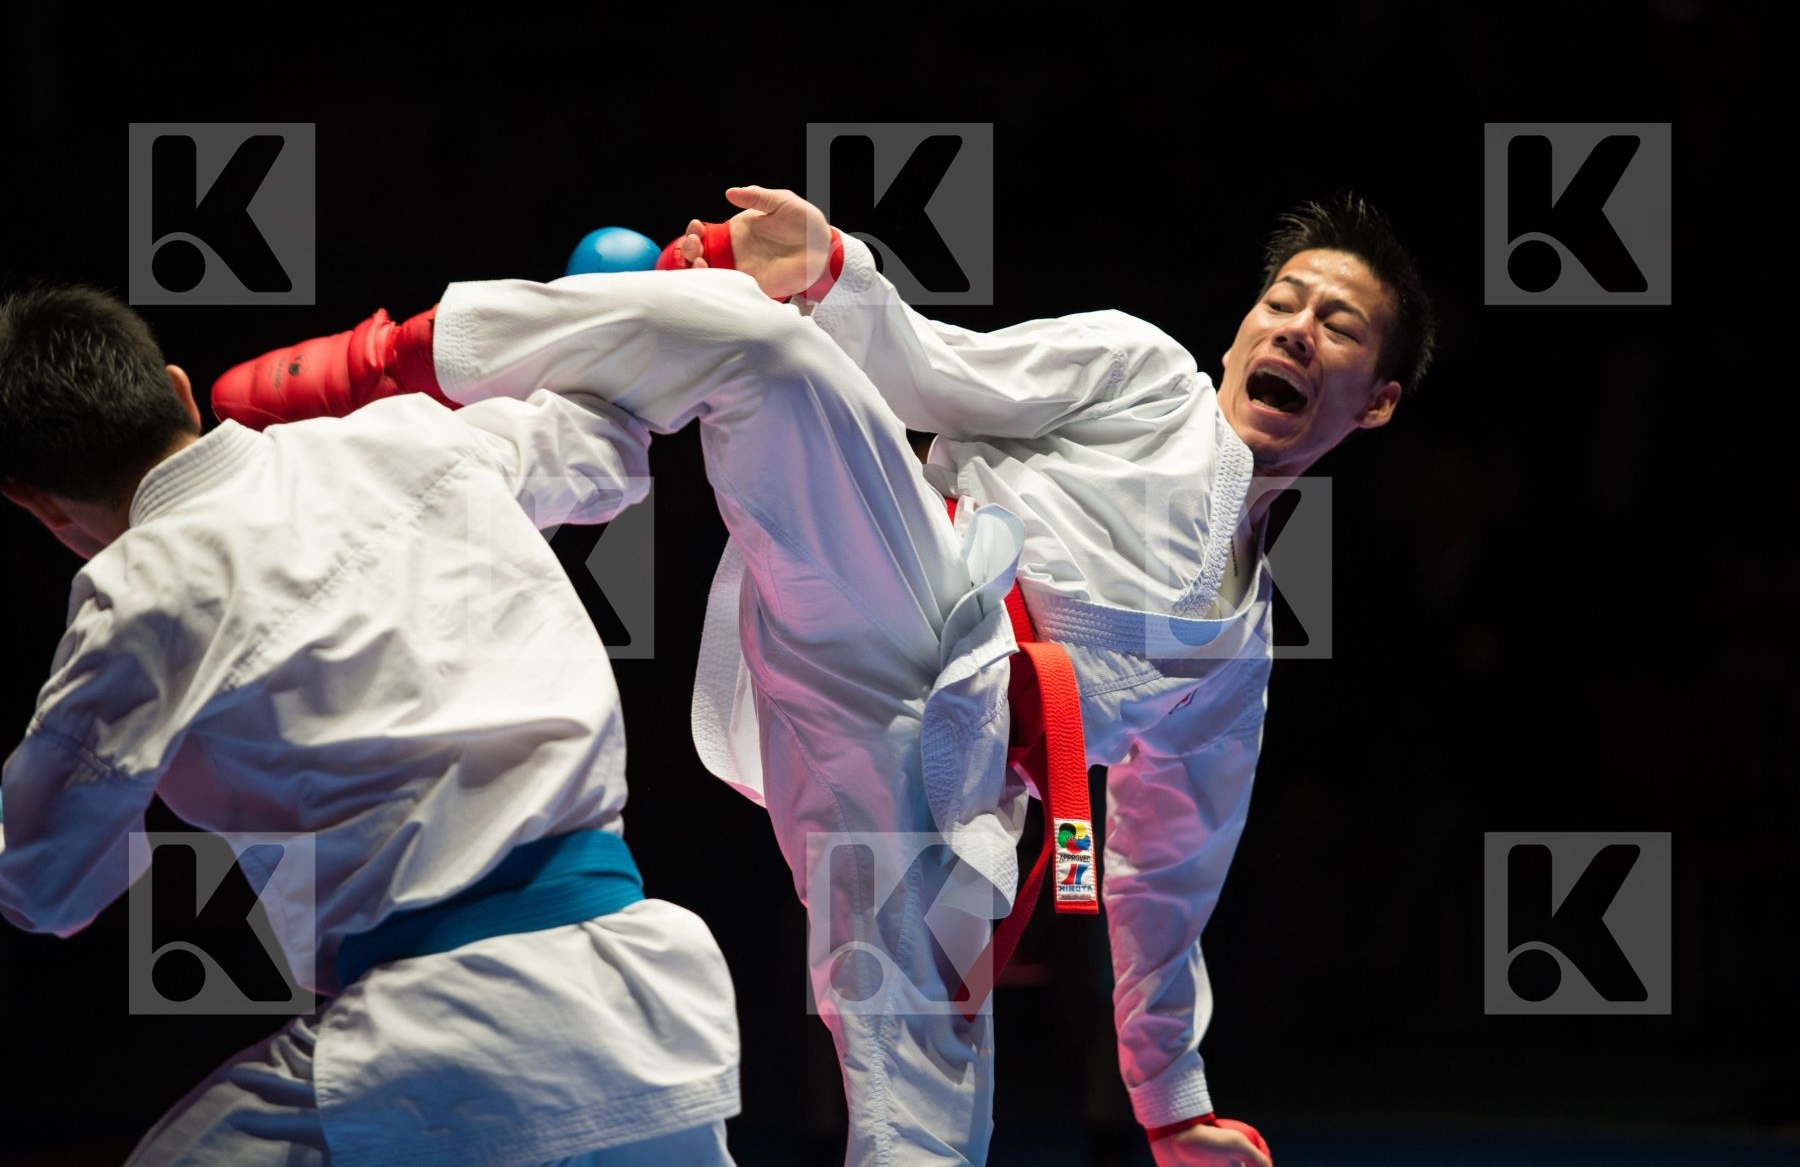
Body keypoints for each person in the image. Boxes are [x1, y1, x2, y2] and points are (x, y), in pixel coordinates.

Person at [207, 183, 1434, 1167]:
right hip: (901, 588)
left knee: (932, 1131)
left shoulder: (1238, 650)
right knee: (765, 351)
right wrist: (836, 267)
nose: (1296, 329)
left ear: (1373, 404)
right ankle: (412, 365)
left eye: (1337, 324)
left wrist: (1172, 1100)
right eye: (1286, 300)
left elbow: (1168, 876)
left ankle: (569, 428)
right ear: (1239, 327)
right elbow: (932, 372)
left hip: (946, 805)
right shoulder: (1142, 371)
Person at [0, 284, 743, 1167]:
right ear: (178, 389)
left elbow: (46, 890)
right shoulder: (406, 435)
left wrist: (144, 766)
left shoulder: (139, 594)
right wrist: (606, 303)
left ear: (36, 502)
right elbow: (607, 446)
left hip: (439, 1033)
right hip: (642, 997)